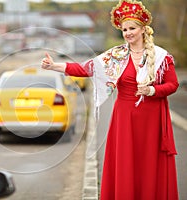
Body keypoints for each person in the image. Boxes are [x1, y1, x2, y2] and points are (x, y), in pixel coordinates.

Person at [41, 0, 179, 199]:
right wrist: (55, 66)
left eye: (132, 28)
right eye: (124, 29)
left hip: (153, 120)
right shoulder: (116, 56)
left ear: (142, 29)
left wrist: (151, 90)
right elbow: (85, 68)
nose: (128, 33)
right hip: (125, 119)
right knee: (126, 164)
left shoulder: (161, 57)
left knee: (150, 163)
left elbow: (172, 85)